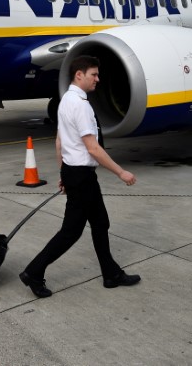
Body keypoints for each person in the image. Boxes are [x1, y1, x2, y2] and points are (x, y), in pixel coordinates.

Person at [19, 55, 140, 298]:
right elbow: (93, 148)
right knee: (71, 231)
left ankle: (110, 274)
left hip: (75, 172)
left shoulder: (65, 101)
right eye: (94, 74)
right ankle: (33, 271)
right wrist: (121, 172)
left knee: (100, 223)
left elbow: (59, 141)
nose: (98, 79)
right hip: (81, 176)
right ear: (79, 75)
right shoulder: (81, 106)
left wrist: (63, 171)